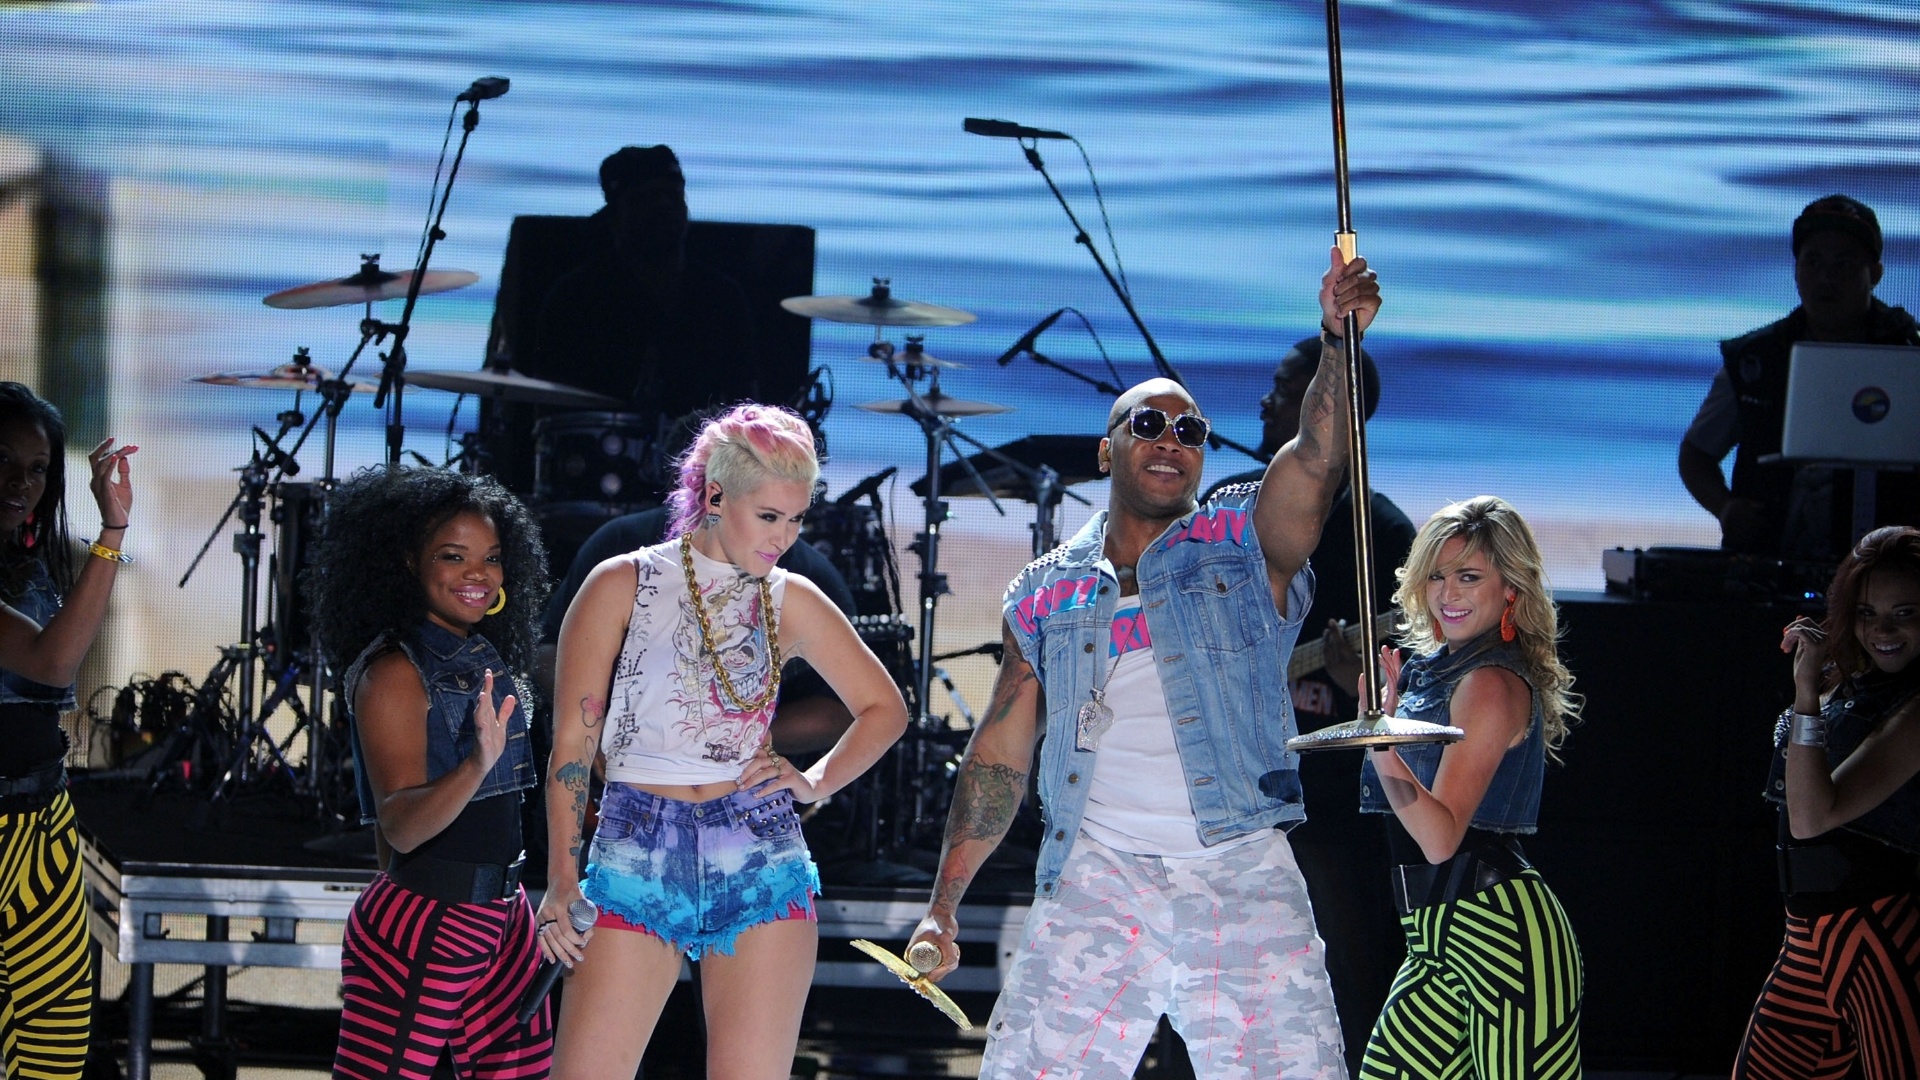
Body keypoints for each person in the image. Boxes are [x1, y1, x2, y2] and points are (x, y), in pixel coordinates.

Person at [906, 248, 1380, 1080]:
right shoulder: (1045, 594)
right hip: (1097, 873)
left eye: (1190, 430)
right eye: (1148, 425)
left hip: (1238, 867)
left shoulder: (1241, 544)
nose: (1172, 442)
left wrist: (1336, 342)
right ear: (1105, 450)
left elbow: (1315, 457)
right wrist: (944, 907)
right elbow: (997, 758)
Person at [537, 403, 907, 1080]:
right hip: (635, 850)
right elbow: (571, 747)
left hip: (758, 853)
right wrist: (563, 879)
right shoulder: (621, 582)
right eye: (769, 517)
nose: (784, 538)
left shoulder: (791, 596)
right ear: (713, 495)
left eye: (796, 520)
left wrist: (815, 780)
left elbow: (885, 708)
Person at [1203, 336, 1416, 1068]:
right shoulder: (1227, 511)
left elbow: (1418, 685)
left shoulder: (1385, 537)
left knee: (1349, 980)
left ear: (1335, 409)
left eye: (1285, 386)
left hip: (1330, 805)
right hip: (1226, 791)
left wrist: (1365, 680)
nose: (1267, 400)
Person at [306, 467, 553, 1080]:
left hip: (504, 915)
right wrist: (476, 764)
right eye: (454, 556)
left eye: (491, 559)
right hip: (433, 917)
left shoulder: (483, 651)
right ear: (409, 562)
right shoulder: (393, 671)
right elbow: (401, 827)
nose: (478, 575)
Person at [1356, 495, 1584, 1079]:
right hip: (1436, 939)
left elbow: (1440, 839)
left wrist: (1379, 741)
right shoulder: (1437, 672)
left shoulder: (1489, 683)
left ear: (1511, 589)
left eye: (1468, 577)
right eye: (1437, 575)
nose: (1448, 593)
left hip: (1501, 939)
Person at [1733, 525, 1920, 1078]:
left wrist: (1807, 694)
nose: (1882, 630)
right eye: (1866, 614)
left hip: (1880, 932)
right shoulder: (1852, 680)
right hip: (1807, 937)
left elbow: (1812, 817)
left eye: (1905, 613)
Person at [0, 383, 133, 1080]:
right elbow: (50, 666)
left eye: (37, 468)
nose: (20, 483)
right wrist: (113, 535)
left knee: (54, 1050)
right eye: (3, 460)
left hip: (42, 828)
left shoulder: (27, 561)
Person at [1679, 194, 1920, 559]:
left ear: (1875, 274)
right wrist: (1726, 509)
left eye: (1843, 264)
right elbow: (1695, 454)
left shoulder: (1910, 355)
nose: (1826, 278)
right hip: (1764, 574)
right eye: (1813, 262)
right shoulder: (1753, 361)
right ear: (1796, 270)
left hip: (1890, 574)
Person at [536, 503, 860, 756]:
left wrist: (731, 741)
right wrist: (597, 727)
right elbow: (547, 652)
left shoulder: (807, 580)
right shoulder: (621, 554)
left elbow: (847, 710)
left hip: (745, 804)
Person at [532, 144, 762, 423]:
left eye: (672, 196)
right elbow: (551, 409)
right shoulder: (574, 300)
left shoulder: (722, 298)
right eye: (647, 198)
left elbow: (744, 401)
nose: (664, 207)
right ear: (615, 216)